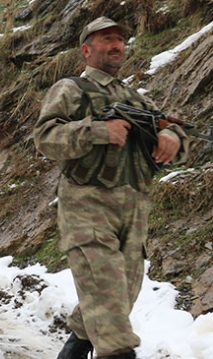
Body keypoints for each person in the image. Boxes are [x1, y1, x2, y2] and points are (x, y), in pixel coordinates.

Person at [33, 17, 190, 359]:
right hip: (88, 203)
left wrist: (170, 136)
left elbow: (175, 131)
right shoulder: (71, 88)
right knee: (106, 296)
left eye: (120, 39)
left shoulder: (134, 98)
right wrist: (98, 131)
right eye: (107, 39)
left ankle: (77, 343)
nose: (117, 44)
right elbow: (45, 138)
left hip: (133, 210)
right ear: (86, 50)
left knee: (120, 294)